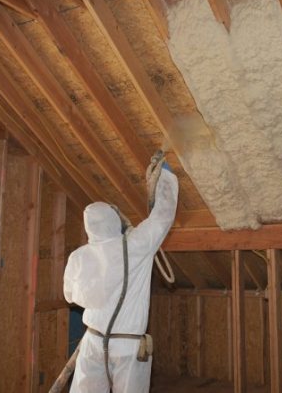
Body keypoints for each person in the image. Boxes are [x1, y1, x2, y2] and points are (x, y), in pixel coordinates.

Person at [63, 161, 178, 393]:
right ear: (114, 220)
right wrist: (165, 178)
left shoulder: (78, 256)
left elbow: (69, 296)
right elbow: (162, 217)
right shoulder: (135, 245)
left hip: (93, 343)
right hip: (127, 347)